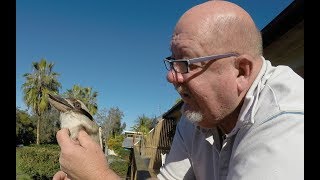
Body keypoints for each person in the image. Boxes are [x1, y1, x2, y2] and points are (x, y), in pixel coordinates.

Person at [53, 1, 304, 180]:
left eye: (186, 64)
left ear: (241, 70)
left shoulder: (287, 118)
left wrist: (96, 176)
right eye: (172, 63)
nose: (171, 77)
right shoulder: (197, 116)